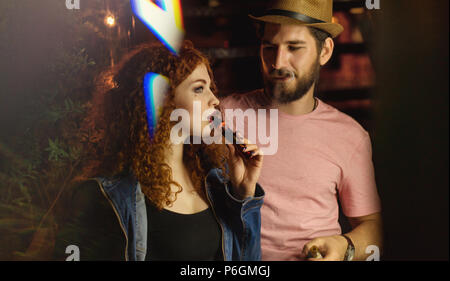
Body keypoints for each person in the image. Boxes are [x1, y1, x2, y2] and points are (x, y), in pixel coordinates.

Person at [52, 41, 265, 261]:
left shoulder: (215, 182)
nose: (215, 100)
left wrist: (244, 194)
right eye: (199, 89)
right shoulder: (105, 195)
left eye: (210, 87)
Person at [220, 0, 383, 261]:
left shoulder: (350, 135)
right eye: (269, 47)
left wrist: (344, 247)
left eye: (294, 47)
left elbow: (373, 227)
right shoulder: (225, 116)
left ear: (325, 51)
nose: (277, 62)